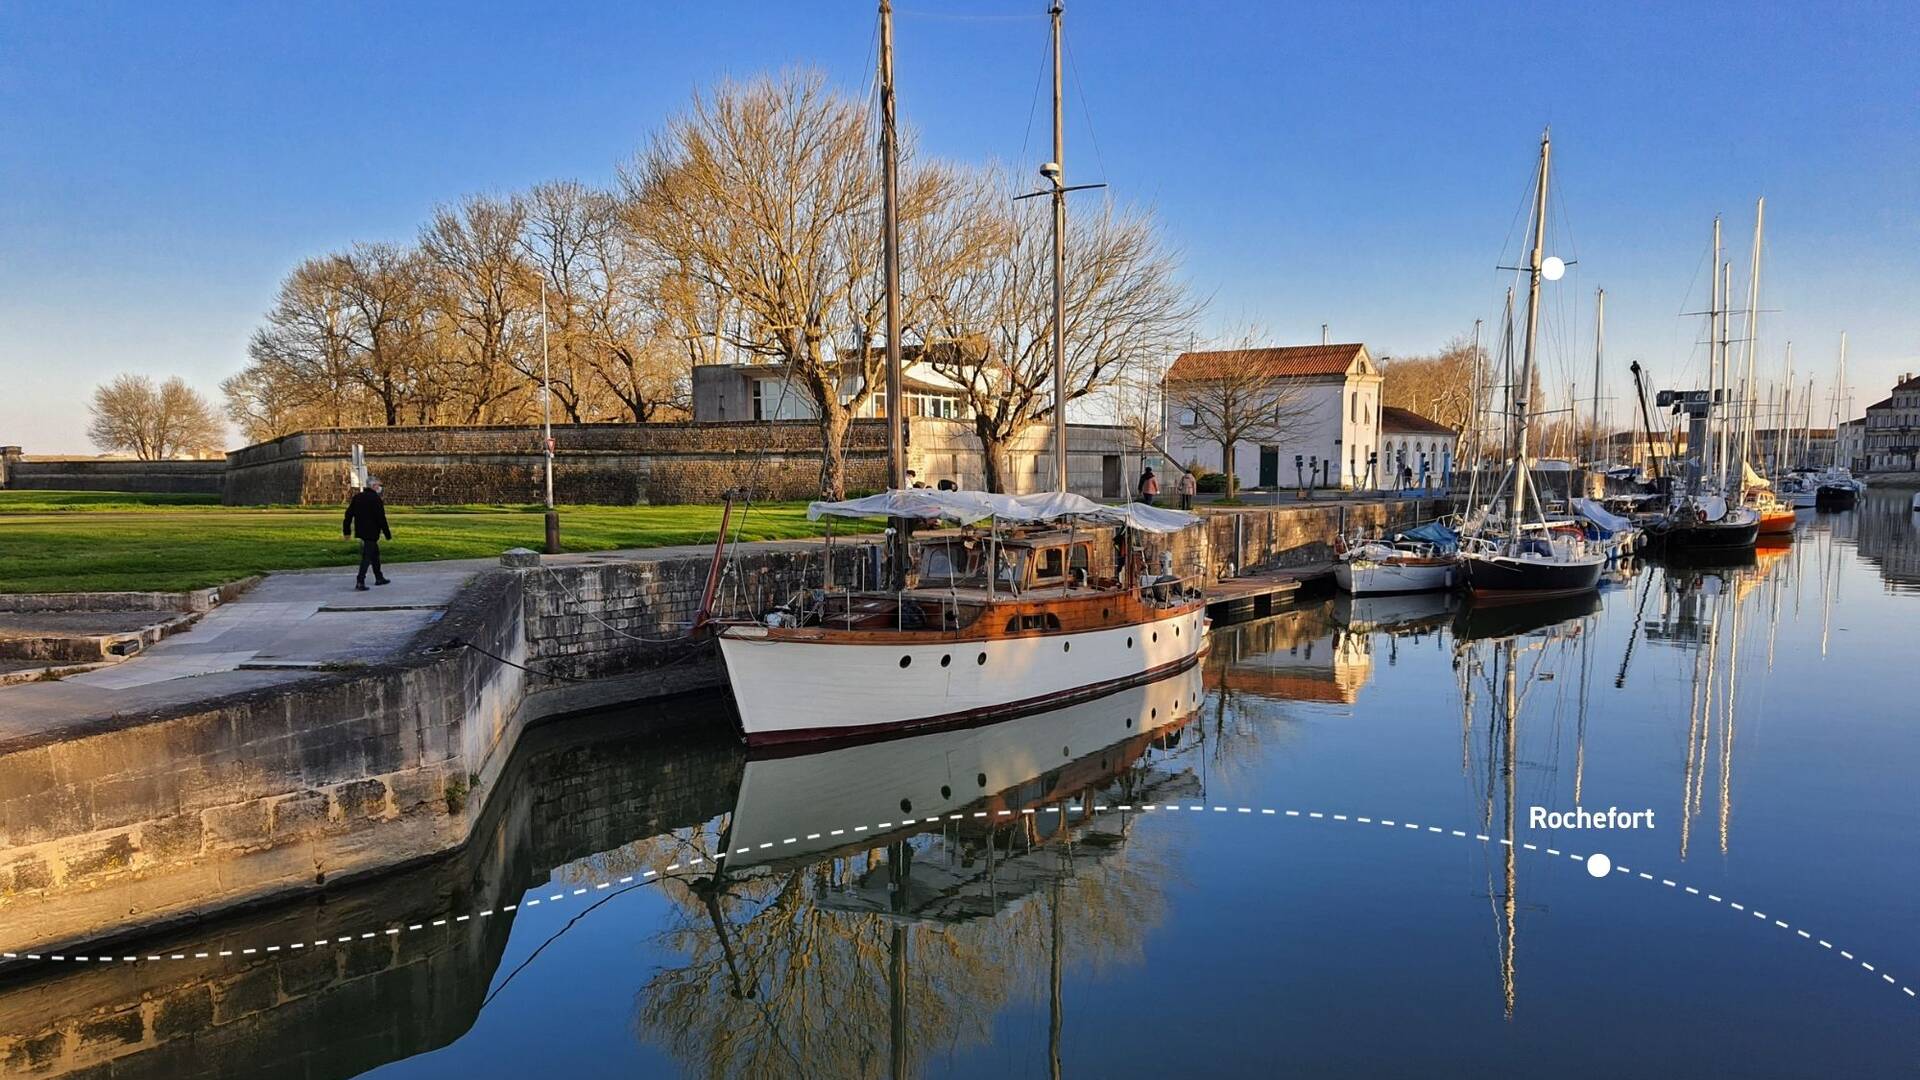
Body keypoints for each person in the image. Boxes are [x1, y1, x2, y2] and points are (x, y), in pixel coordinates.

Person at [343, 478, 393, 591]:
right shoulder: (376, 499)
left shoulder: (358, 497)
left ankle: (379, 577)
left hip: (361, 530)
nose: (379, 487)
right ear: (373, 486)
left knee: (375, 554)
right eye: (378, 485)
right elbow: (381, 518)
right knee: (367, 557)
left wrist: (347, 531)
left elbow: (348, 515)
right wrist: (387, 533)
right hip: (372, 531)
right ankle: (360, 580)